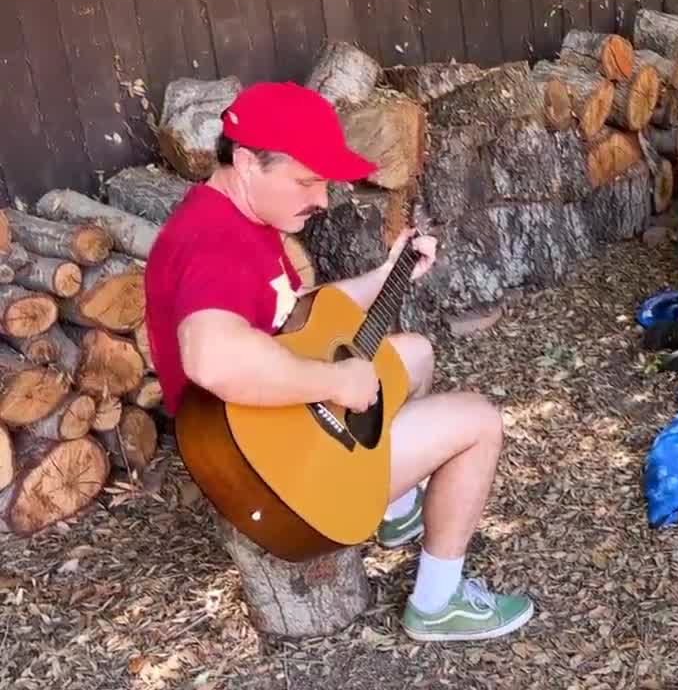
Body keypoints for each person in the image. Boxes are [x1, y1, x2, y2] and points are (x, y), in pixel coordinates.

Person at [143, 81, 534, 642]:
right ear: (248, 162)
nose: (323, 200)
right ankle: (438, 602)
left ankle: (393, 509)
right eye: (307, 181)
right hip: (277, 473)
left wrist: (388, 274)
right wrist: (334, 380)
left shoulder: (240, 216)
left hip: (275, 428)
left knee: (414, 355)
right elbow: (212, 356)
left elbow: (299, 314)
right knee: (480, 422)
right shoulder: (214, 244)